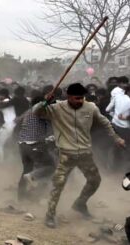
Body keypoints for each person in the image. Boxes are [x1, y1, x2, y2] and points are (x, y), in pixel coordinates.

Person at [33, 83, 125, 228]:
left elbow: (105, 122)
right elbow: (37, 112)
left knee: (95, 181)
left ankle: (80, 204)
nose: (80, 101)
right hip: (65, 155)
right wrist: (45, 101)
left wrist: (117, 138)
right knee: (58, 185)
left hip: (85, 154)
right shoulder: (57, 108)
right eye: (76, 98)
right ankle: (50, 215)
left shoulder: (91, 107)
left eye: (82, 98)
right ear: (68, 97)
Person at [17, 94, 55, 200]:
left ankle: (21, 197)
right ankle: (33, 179)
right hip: (34, 144)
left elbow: (17, 122)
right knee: (50, 166)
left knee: (26, 170)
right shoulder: (41, 112)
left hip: (22, 144)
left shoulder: (27, 112)